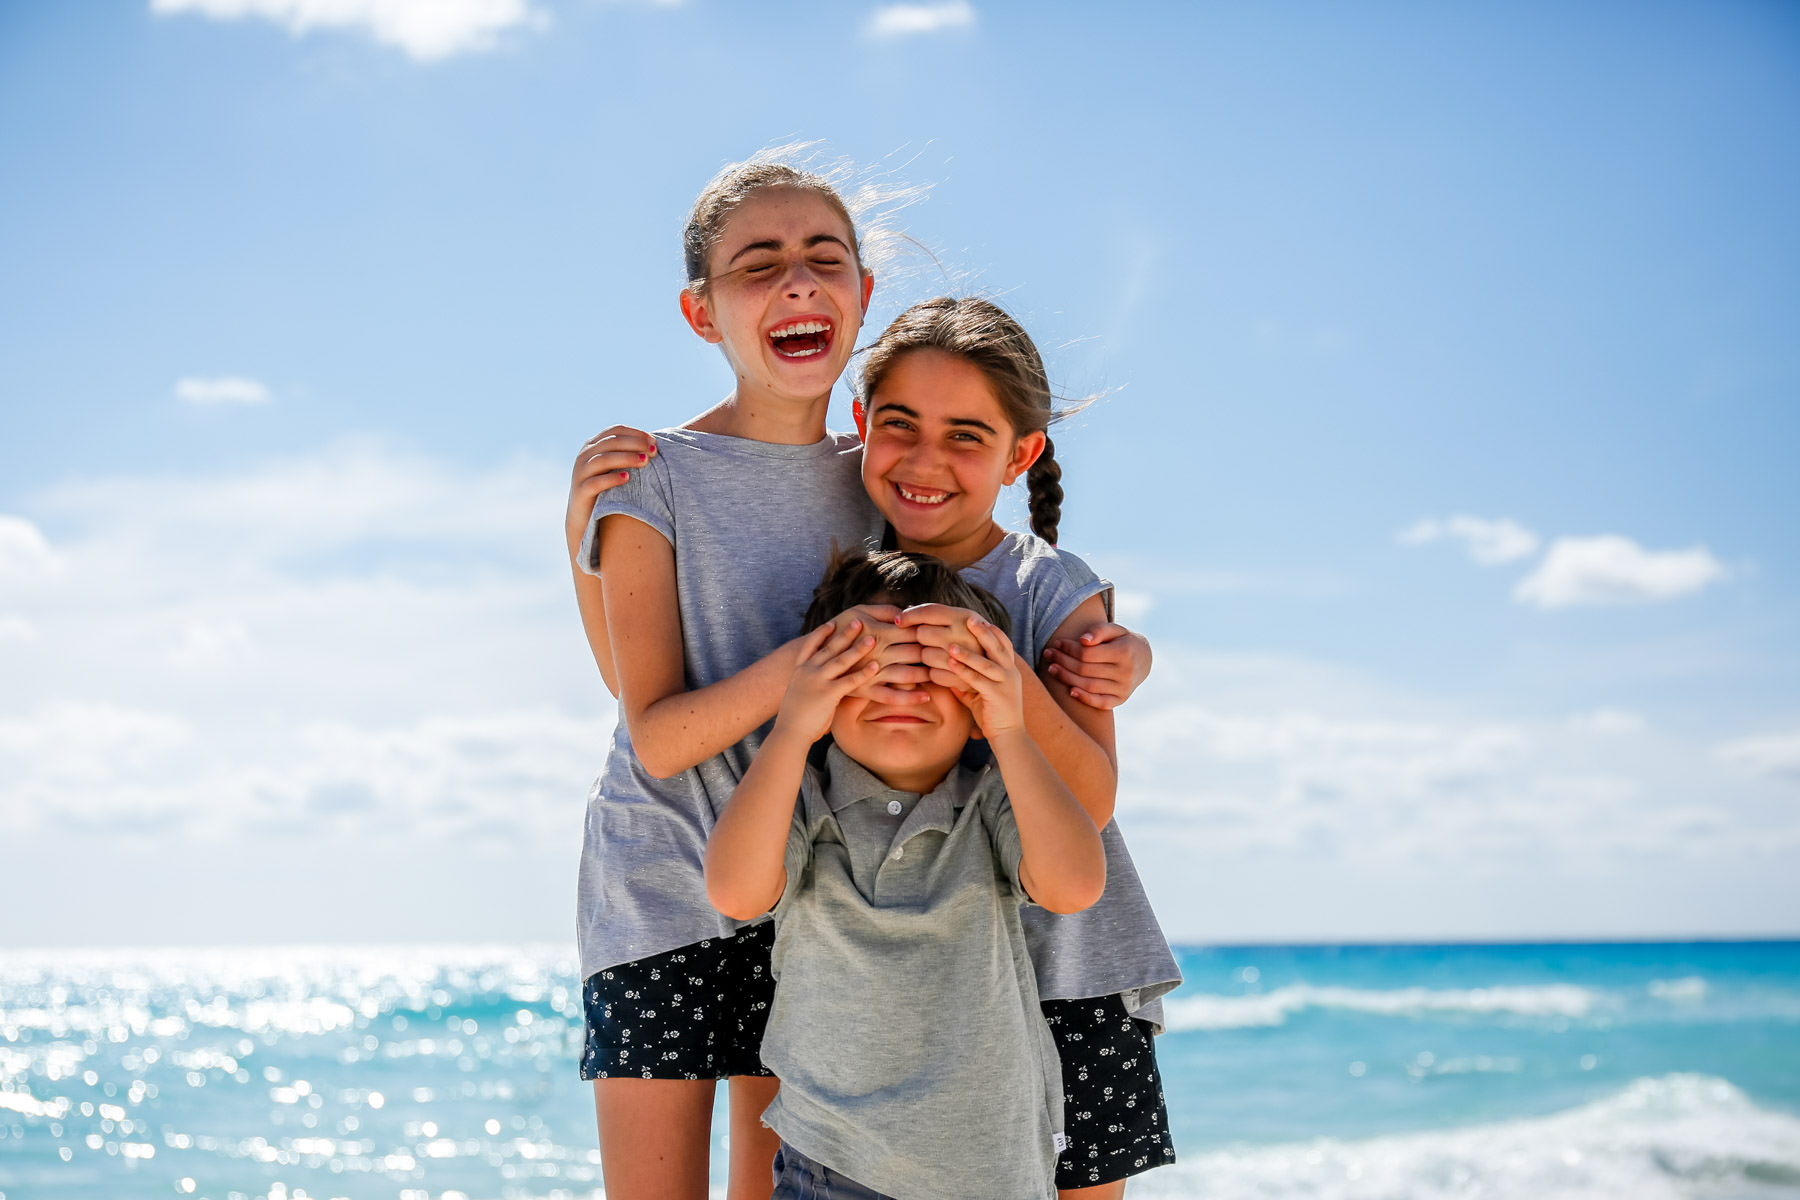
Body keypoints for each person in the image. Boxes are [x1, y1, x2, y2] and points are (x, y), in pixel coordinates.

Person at [853, 297, 1183, 1195]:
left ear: (1020, 454)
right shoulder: (845, 570)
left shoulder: (1051, 588)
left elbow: (1094, 800)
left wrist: (1012, 681)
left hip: (1068, 976)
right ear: (859, 426)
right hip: (914, 984)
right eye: (900, 426)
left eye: (966, 435)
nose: (926, 462)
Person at [705, 550, 1107, 1200]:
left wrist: (1008, 724)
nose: (903, 689)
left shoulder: (995, 799)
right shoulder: (797, 798)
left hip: (994, 1176)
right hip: (830, 1165)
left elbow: (1075, 885)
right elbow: (735, 890)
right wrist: (790, 727)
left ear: (975, 700)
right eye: (870, 667)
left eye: (932, 673)